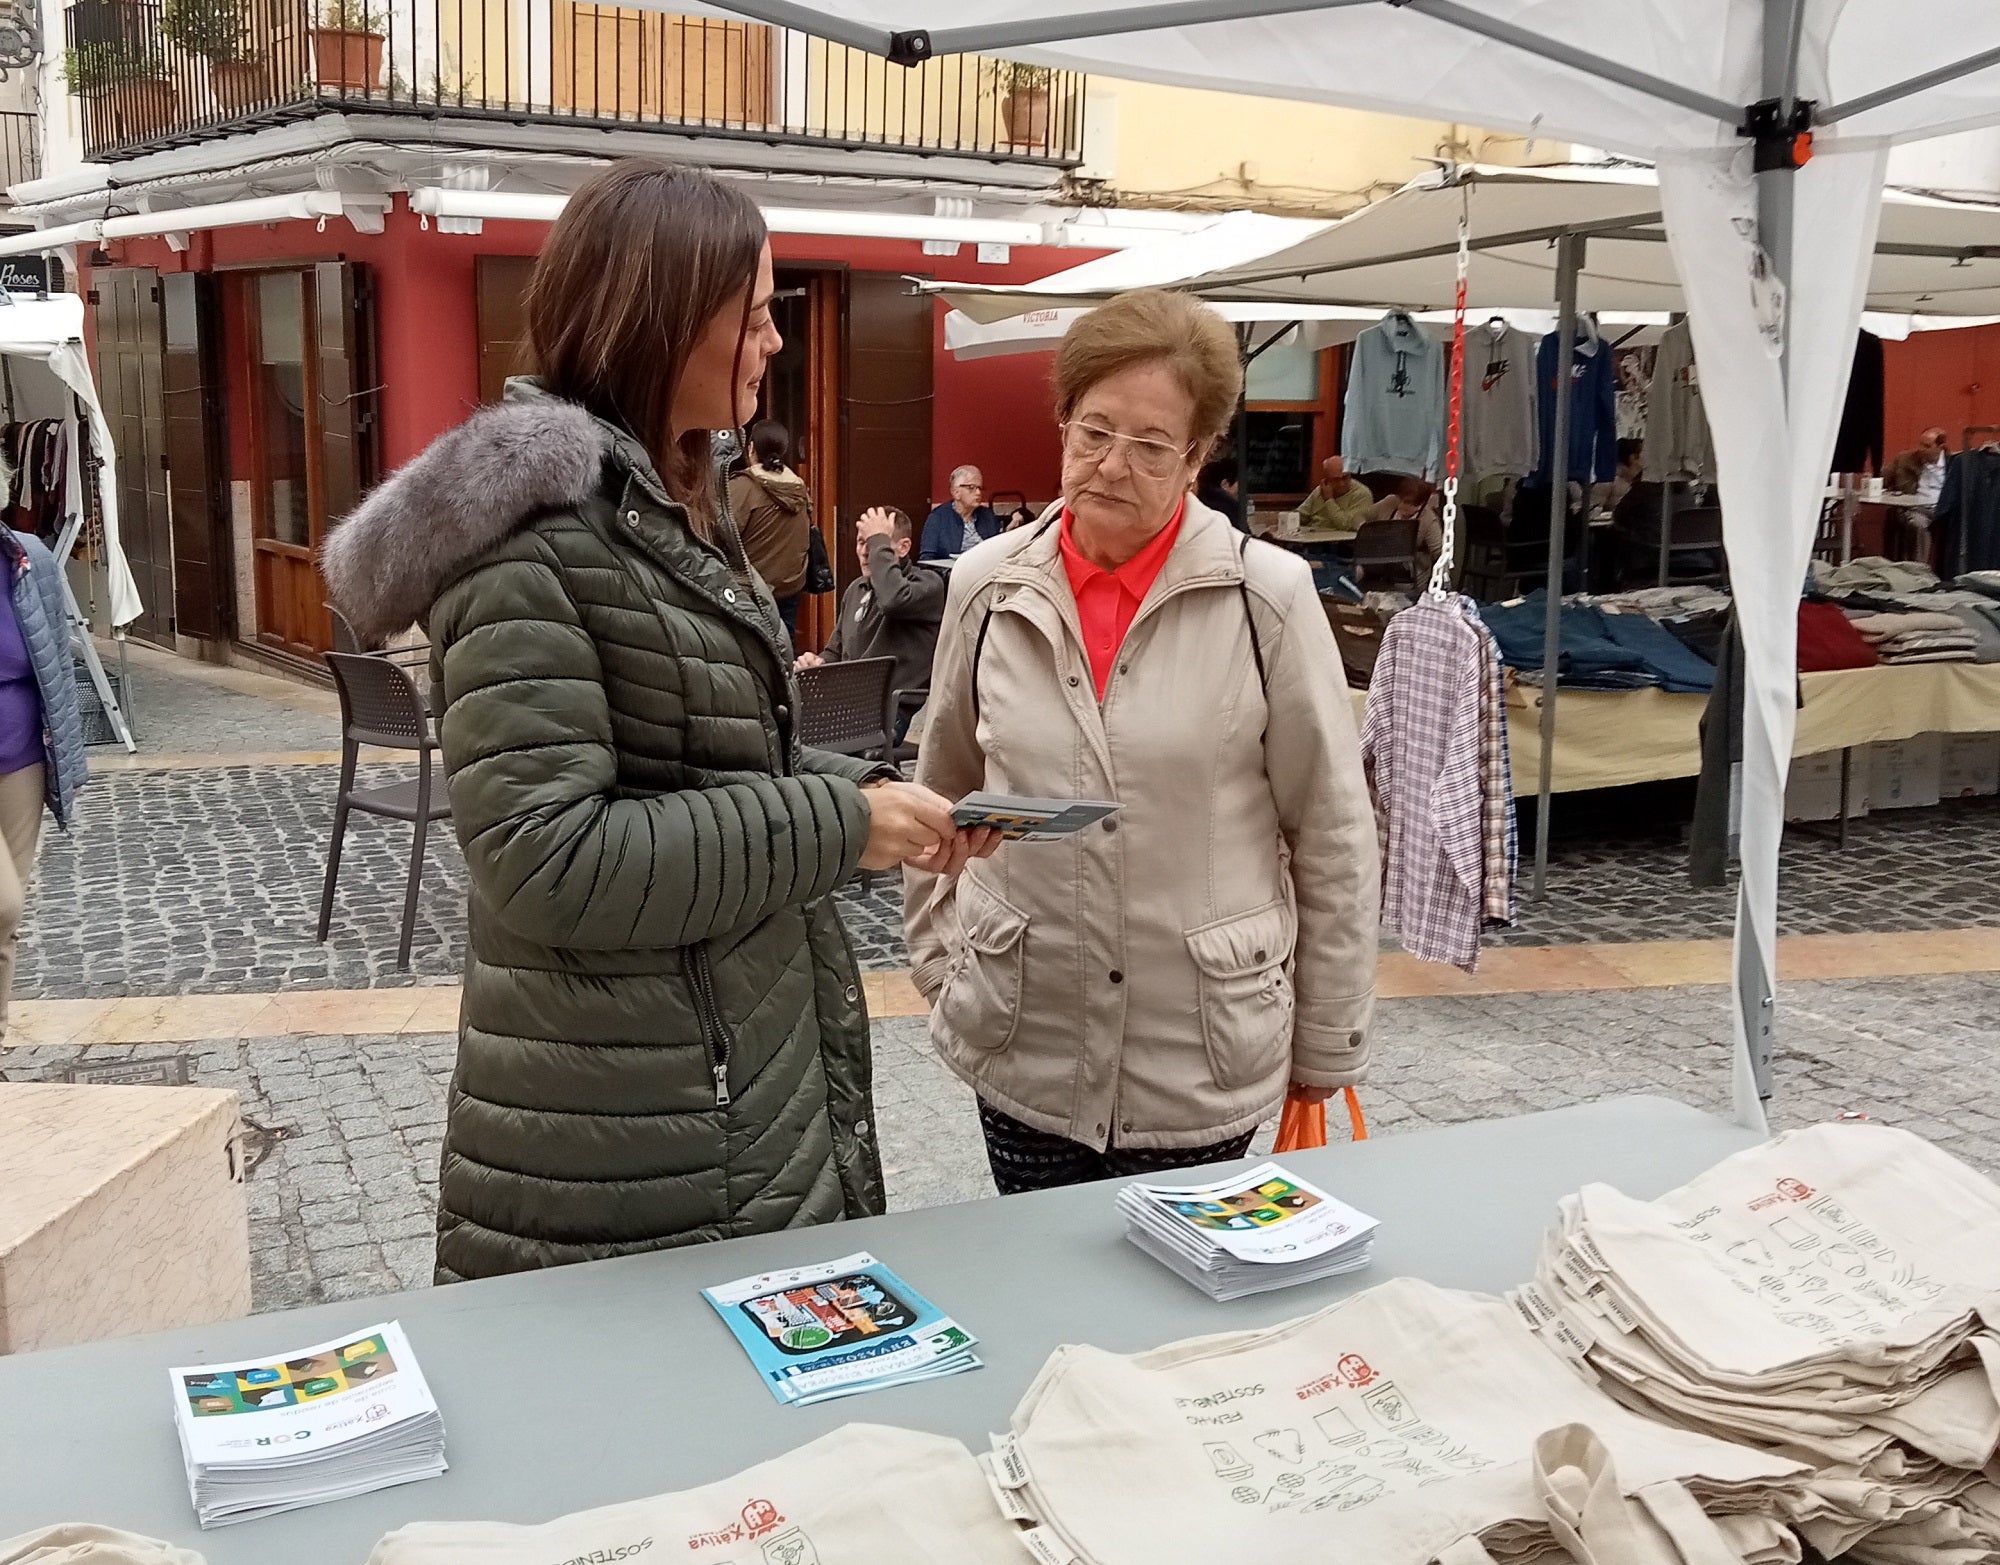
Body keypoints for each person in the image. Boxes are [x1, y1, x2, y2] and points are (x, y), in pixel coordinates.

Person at [322, 159, 990, 1283]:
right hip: (630, 1136)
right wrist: (837, 824)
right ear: (662, 318)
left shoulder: (674, 506)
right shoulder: (530, 546)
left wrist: (872, 795)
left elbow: (708, 755)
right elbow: (543, 858)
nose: (775, 340)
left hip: (719, 1094)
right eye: (758, 312)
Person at [906, 286, 1379, 1196]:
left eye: (1152, 444)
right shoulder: (987, 584)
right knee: (1040, 1279)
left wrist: (1327, 1035)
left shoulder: (1265, 597)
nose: (1112, 464)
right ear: (1062, 424)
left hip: (1197, 1047)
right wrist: (942, 965)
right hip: (1026, 1033)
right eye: (1093, 431)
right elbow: (942, 791)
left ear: (1197, 456)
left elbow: (1331, 831)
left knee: (1185, 1305)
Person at [0, 525, 86, 1037]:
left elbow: (56, 662)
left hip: (25, 758)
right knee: (1, 902)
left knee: (6, 923)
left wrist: (68, 763)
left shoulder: (31, 561)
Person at [795, 506, 945, 743]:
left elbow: (893, 599)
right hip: (843, 706)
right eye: (862, 542)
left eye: (876, 543)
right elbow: (835, 651)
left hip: (888, 713)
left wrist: (879, 542)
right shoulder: (856, 589)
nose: (866, 552)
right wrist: (817, 663)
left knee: (804, 744)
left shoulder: (927, 584)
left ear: (903, 548)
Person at [726, 418, 814, 645]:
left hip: (752, 590)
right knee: (786, 649)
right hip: (790, 587)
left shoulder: (743, 488)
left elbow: (721, 533)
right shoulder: (798, 488)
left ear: (751, 448)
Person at [919, 466, 1006, 561]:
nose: (978, 492)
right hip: (949, 572)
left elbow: (999, 550)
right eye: (971, 488)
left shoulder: (987, 515)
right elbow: (926, 559)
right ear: (956, 493)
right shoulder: (937, 518)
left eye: (980, 488)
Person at [1296, 455, 1374, 538]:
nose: (1341, 484)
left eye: (1345, 478)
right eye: (1336, 480)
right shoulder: (1321, 490)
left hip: (1340, 544)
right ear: (1326, 480)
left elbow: (1347, 525)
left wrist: (1329, 500)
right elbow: (1301, 515)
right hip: (1313, 537)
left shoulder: (1362, 494)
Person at [1885, 427, 1949, 505]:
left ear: (1941, 447)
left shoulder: (1953, 463)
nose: (1921, 449)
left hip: (1943, 509)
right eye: (1920, 444)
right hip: (1914, 507)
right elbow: (1881, 477)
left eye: (1927, 446)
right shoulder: (1905, 460)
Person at [1195, 455, 1248, 531]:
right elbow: (1243, 536)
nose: (1241, 490)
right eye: (1239, 484)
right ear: (1225, 484)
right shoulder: (1230, 507)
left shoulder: (1196, 502)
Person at [1608, 437, 1645, 509]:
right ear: (1633, 457)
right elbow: (1592, 511)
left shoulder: (1642, 482)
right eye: (1644, 454)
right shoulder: (1608, 483)